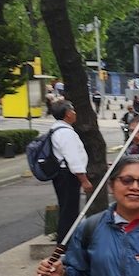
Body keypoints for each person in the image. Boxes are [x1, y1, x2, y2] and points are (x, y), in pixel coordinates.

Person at [48, 100, 93, 243]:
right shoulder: (66, 133)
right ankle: (66, 245)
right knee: (69, 212)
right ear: (67, 114)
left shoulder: (55, 129)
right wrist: (84, 180)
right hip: (68, 176)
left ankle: (65, 242)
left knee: (66, 210)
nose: (75, 113)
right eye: (72, 110)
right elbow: (73, 159)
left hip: (61, 175)